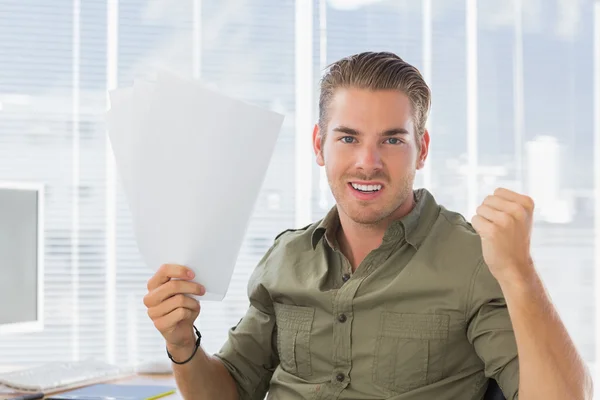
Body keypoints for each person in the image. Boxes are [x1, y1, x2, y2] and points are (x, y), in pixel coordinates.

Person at [142, 52, 593, 400]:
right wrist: (181, 342)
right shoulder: (287, 257)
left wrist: (519, 271)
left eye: (392, 140)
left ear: (422, 148)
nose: (368, 163)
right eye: (348, 138)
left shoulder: (473, 260)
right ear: (320, 145)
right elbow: (230, 390)